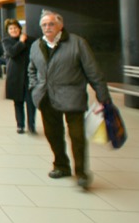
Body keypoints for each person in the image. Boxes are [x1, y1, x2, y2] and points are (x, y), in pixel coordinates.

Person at [28, 10, 111, 190]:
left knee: (77, 136)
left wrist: (103, 96)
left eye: (51, 24)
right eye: (44, 25)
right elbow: (32, 69)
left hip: (72, 96)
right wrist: (34, 86)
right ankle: (61, 165)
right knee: (53, 135)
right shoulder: (36, 45)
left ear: (60, 26)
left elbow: (93, 71)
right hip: (46, 97)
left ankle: (81, 173)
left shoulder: (77, 43)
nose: (47, 28)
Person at [1, 19, 36, 134]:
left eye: (15, 28)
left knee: (30, 102)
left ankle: (31, 125)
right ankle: (20, 125)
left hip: (28, 74)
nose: (13, 30)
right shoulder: (6, 41)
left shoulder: (30, 40)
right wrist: (21, 42)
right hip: (15, 75)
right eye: (11, 29)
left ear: (20, 29)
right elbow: (11, 53)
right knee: (18, 101)